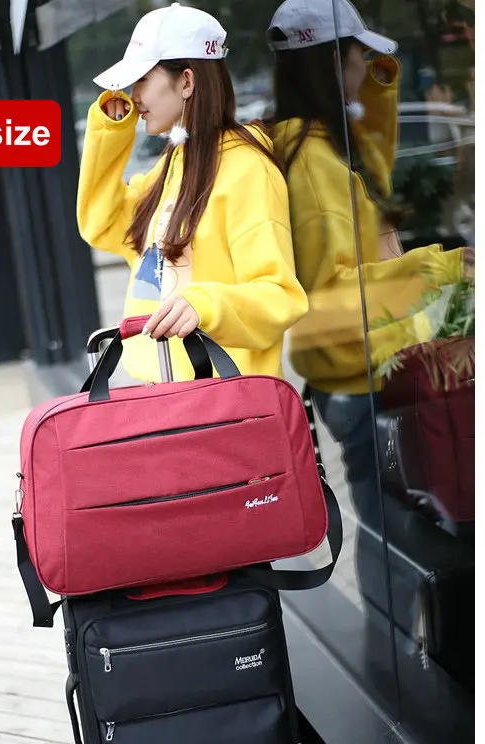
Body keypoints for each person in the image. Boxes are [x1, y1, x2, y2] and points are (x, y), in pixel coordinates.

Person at [265, 0, 472, 657]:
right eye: (359, 57)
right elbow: (334, 296)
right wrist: (443, 266)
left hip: (367, 371)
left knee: (399, 533)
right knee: (396, 541)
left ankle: (401, 657)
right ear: (333, 62)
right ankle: (391, 665)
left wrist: (379, 82)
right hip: (363, 379)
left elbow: (374, 169)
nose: (367, 68)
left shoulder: (315, 145)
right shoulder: (313, 163)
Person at [76, 2, 308, 384]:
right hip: (167, 395)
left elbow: (279, 295)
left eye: (143, 79)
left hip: (226, 401)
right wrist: (110, 133)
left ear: (186, 81)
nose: (134, 95)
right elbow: (102, 226)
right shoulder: (174, 164)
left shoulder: (247, 169)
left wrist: (205, 306)